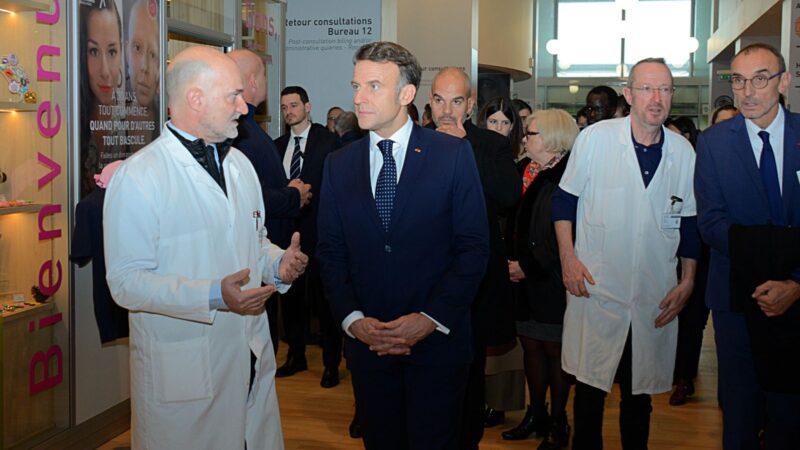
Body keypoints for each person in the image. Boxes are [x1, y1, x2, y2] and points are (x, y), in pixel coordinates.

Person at [103, 46, 308, 449]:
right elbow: (126, 282)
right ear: (196, 99)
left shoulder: (240, 166)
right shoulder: (140, 177)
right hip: (185, 367)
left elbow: (252, 241)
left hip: (248, 352)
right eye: (233, 96)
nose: (244, 108)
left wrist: (277, 263)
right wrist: (214, 294)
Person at [317, 41, 489, 450]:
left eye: (373, 86)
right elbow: (331, 251)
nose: (359, 98)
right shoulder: (339, 164)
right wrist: (353, 320)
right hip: (369, 347)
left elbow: (473, 248)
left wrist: (429, 318)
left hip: (437, 346)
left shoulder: (452, 154)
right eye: (356, 86)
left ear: (407, 94)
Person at [553, 58, 699, 449]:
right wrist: (568, 258)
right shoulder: (596, 139)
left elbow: (689, 224)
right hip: (595, 288)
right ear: (629, 95)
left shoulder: (683, 152)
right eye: (647, 89)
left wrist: (688, 281)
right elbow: (564, 201)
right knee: (589, 393)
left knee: (639, 397)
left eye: (665, 89)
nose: (657, 98)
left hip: (653, 292)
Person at [695, 43, 800, 450]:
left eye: (760, 79)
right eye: (738, 80)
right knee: (738, 414)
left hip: (797, 296)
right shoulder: (714, 143)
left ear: (784, 81)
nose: (748, 91)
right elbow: (711, 223)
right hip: (736, 299)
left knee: (789, 415)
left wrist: (795, 283)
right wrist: (765, 274)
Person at [428, 67, 521, 449]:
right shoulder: (413, 142)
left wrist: (465, 145)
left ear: (469, 104)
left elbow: (508, 195)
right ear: (429, 102)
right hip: (424, 278)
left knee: (468, 369)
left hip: (475, 280)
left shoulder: (490, 144)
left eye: (456, 101)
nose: (447, 110)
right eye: (439, 100)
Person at [229, 49, 313, 357]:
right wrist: (292, 196)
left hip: (268, 253)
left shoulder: (247, 130)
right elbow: (248, 197)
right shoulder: (239, 133)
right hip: (250, 266)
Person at [504, 109, 579, 449]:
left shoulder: (568, 175)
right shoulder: (525, 170)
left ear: (552, 138)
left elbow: (563, 236)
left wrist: (528, 266)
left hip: (551, 278)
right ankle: (536, 413)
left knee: (554, 351)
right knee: (531, 347)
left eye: (531, 133)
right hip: (523, 281)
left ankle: (558, 421)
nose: (524, 138)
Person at [274, 86, 340, 388]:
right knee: (291, 299)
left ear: (307, 107)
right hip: (287, 234)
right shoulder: (277, 146)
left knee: (324, 300)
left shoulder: (328, 142)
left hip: (321, 232)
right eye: (284, 107)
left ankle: (331, 364)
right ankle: (295, 355)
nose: (289, 111)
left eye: (294, 105)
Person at [664, 116, 709, 407]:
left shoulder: (701, 168)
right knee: (670, 316)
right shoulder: (663, 169)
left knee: (692, 321)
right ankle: (670, 369)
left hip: (699, 255)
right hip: (667, 254)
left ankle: (685, 378)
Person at [79, 0, 124, 197]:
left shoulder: (130, 122)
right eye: (94, 51)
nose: (105, 71)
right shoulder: (69, 125)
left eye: (112, 51)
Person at [125, 0, 160, 152]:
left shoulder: (166, 126)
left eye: (153, 55)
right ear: (126, 51)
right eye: (137, 48)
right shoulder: (112, 124)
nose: (144, 67)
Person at [477, 95, 524, 160]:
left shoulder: (520, 155)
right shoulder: (473, 151)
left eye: (505, 123)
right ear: (484, 122)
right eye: (493, 122)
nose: (499, 128)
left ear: (511, 126)